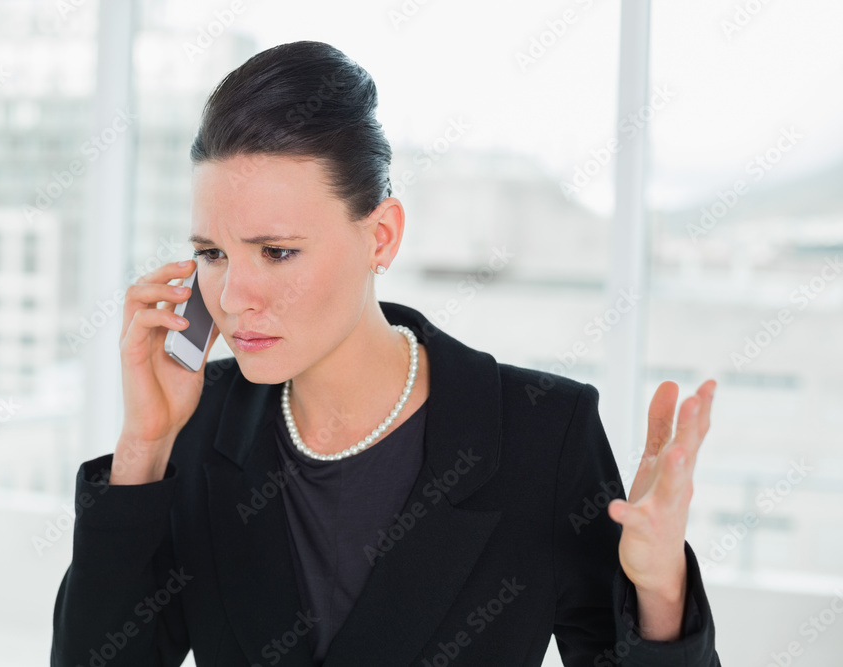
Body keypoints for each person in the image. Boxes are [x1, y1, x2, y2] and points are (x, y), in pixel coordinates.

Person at [51, 40, 721, 666]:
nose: (233, 296)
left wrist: (660, 589)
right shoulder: (197, 425)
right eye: (212, 253)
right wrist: (144, 446)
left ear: (381, 237)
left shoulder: (540, 434)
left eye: (277, 251)